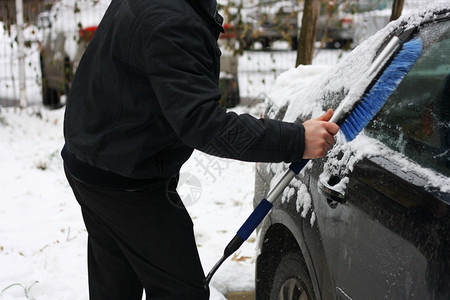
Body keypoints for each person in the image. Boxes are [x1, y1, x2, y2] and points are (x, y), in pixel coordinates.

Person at [61, 0, 340, 299]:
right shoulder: (173, 21)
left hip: (91, 161)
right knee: (182, 291)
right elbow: (204, 124)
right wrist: (297, 140)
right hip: (124, 181)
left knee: (115, 285)